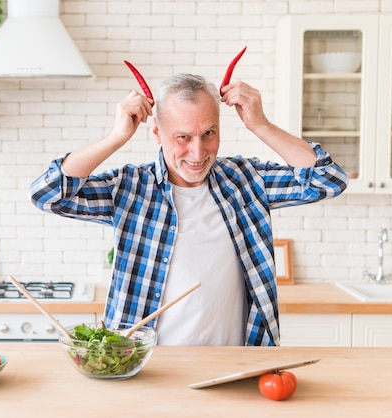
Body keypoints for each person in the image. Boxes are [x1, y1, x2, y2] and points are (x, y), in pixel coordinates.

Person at [28, 74, 348, 346]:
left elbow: (328, 180)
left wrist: (260, 124)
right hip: (146, 368)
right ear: (157, 133)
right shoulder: (130, 187)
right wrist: (117, 136)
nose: (198, 151)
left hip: (235, 364)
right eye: (183, 137)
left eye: (208, 133)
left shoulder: (247, 181)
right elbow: (48, 194)